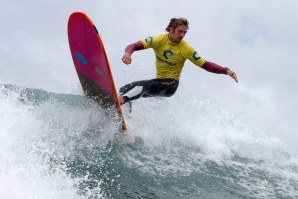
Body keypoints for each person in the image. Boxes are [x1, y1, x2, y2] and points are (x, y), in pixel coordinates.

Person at [119, 18, 238, 105]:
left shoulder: (186, 49)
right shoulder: (158, 40)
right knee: (124, 89)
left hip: (171, 85)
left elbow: (205, 64)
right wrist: (128, 53)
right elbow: (134, 45)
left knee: (141, 87)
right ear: (171, 29)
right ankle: (125, 110)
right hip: (159, 81)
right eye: (180, 31)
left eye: (184, 32)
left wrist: (226, 70)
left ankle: (122, 100)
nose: (182, 35)